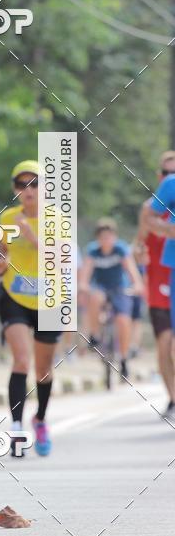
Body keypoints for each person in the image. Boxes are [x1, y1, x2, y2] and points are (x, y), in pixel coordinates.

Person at [0, 161, 61, 457]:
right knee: (21, 360)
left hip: (49, 300)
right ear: (15, 189)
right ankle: (16, 429)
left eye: (34, 184)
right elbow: (2, 253)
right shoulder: (7, 217)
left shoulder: (57, 219)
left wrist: (31, 235)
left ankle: (40, 419)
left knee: (43, 370)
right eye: (22, 185)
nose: (28, 190)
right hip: (14, 295)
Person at [80, 218, 144, 380]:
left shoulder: (121, 249)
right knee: (95, 298)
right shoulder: (93, 251)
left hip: (120, 288)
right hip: (100, 287)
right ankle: (94, 335)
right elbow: (86, 273)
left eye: (109, 236)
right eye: (102, 237)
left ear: (114, 237)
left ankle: (123, 359)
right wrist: (83, 285)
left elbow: (131, 269)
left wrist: (136, 284)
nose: (106, 240)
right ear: (98, 238)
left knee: (123, 320)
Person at [143, 151, 175, 416]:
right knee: (165, 344)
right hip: (159, 282)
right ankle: (173, 397)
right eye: (166, 172)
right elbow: (138, 245)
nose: (170, 176)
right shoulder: (154, 205)